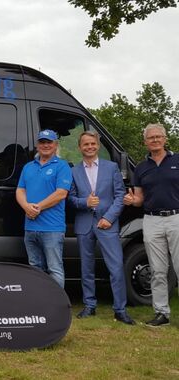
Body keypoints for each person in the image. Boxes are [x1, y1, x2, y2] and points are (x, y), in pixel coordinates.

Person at [68, 131, 135, 324]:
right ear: (80, 147)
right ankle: (90, 305)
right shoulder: (74, 171)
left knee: (115, 268)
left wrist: (109, 217)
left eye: (92, 144)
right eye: (85, 144)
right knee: (86, 268)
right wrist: (84, 202)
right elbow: (71, 199)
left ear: (98, 145)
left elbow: (120, 195)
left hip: (107, 224)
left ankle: (120, 310)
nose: (89, 147)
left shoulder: (111, 167)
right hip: (84, 224)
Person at [123, 123, 179, 327]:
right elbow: (139, 199)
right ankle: (162, 313)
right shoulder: (141, 168)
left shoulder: (177, 160)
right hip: (152, 220)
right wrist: (132, 201)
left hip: (176, 218)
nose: (155, 140)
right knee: (157, 270)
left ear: (165, 139)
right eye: (150, 138)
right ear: (145, 142)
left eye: (158, 137)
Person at [16, 129, 72, 288]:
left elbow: (61, 193)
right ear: (37, 145)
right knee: (34, 268)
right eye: (42, 142)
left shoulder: (62, 166)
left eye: (49, 142)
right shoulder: (28, 167)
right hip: (31, 226)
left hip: (52, 228)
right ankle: (39, 304)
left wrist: (37, 207)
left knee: (54, 269)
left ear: (55, 145)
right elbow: (20, 190)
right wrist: (27, 207)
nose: (45, 145)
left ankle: (56, 307)